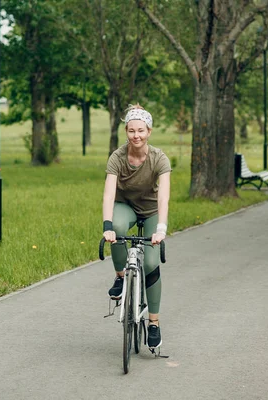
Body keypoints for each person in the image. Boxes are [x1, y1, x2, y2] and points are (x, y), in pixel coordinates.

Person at [102, 104, 171, 349]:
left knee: (151, 262)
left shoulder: (159, 159)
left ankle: (154, 322)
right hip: (126, 206)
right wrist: (107, 225)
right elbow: (109, 194)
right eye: (131, 131)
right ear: (126, 131)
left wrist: (161, 229)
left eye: (141, 130)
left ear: (149, 131)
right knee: (119, 229)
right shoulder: (117, 157)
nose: (136, 135)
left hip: (151, 211)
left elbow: (163, 197)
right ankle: (121, 276)